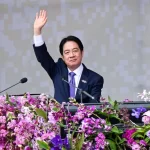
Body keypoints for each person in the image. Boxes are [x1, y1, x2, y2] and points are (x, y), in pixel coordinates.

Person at [33, 10, 104, 103]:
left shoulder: (94, 79)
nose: (71, 55)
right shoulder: (57, 71)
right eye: (67, 52)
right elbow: (42, 57)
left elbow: (94, 106)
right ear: (62, 57)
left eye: (75, 51)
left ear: (82, 52)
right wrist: (37, 31)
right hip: (59, 117)